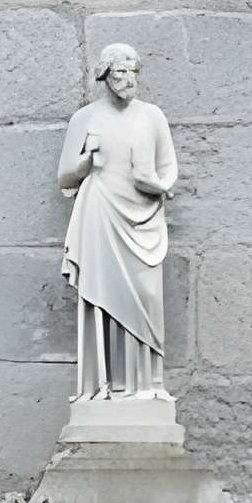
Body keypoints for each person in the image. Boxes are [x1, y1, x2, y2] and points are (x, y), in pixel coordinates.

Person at [57, 44, 175, 403]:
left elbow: (167, 166)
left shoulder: (152, 116)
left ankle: (147, 383)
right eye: (121, 72)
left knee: (147, 295)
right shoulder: (85, 118)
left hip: (144, 215)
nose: (129, 80)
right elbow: (65, 176)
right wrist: (86, 161)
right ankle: (102, 385)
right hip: (100, 211)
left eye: (133, 72)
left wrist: (158, 185)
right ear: (105, 76)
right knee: (101, 297)